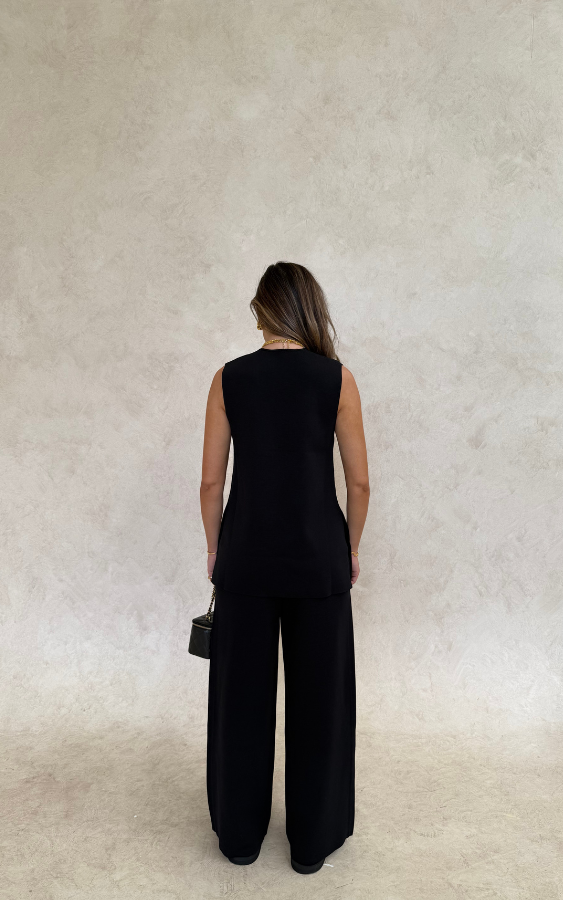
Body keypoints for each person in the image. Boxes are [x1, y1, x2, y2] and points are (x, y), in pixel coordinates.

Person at [199, 261, 370, 874]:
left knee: (239, 701)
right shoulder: (337, 379)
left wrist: (216, 549)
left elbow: (212, 481)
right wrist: (350, 549)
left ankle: (239, 838)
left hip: (245, 557)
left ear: (261, 313)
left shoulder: (228, 378)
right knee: (322, 703)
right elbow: (359, 483)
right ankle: (311, 844)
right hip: (319, 559)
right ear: (308, 309)